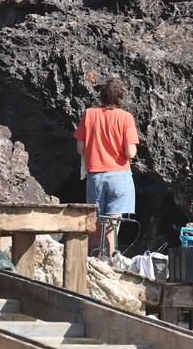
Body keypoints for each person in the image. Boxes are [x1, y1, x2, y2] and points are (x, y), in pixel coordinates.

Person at [74, 77, 139, 257]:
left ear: (101, 96)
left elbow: (80, 148)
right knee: (112, 223)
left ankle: (95, 258)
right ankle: (110, 259)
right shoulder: (126, 118)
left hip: (96, 175)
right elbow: (131, 153)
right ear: (120, 97)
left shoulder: (89, 114)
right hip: (120, 176)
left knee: (95, 221)